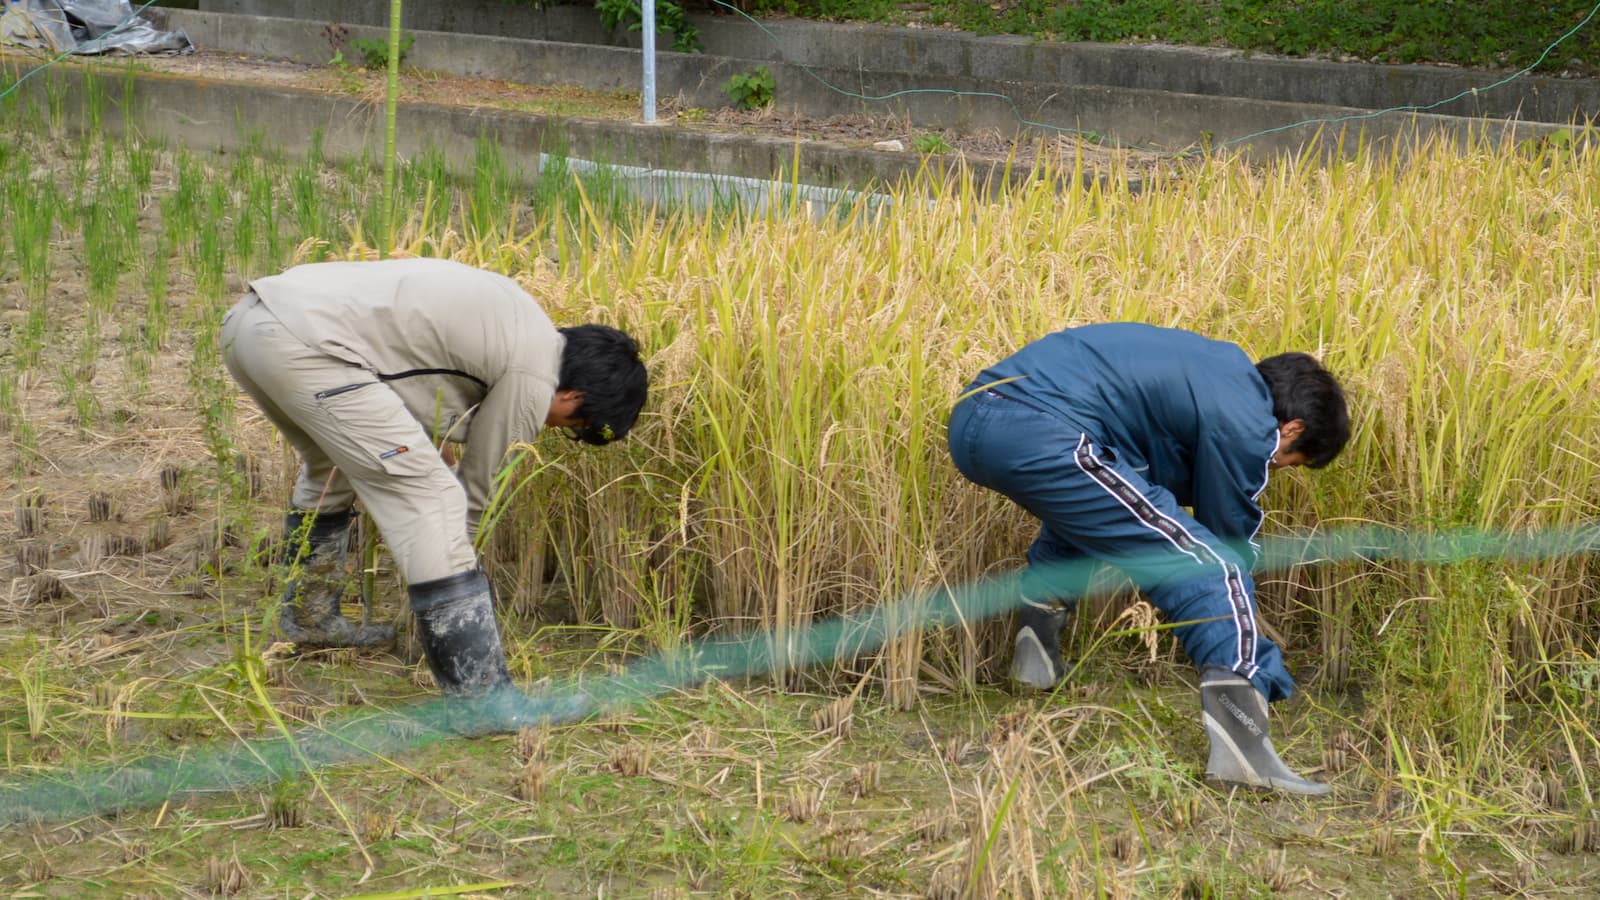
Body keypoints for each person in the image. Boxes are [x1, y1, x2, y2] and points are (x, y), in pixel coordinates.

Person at [221, 257, 648, 729]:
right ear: (576, 398)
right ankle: (483, 703)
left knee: (332, 468)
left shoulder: (519, 320)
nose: (555, 427)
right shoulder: (534, 376)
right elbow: (475, 493)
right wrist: (448, 563)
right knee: (434, 500)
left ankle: (310, 619)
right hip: (306, 346)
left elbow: (404, 375)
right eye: (573, 426)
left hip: (250, 325)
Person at [946, 322, 1349, 795]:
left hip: (976, 416)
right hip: (1041, 427)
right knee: (1211, 568)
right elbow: (1226, 542)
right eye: (1282, 462)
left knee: (1098, 513)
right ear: (1291, 428)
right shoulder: (1249, 421)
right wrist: (1247, 630)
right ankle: (1245, 753)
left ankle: (1035, 660)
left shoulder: (1212, 374)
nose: (1272, 468)